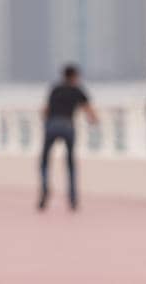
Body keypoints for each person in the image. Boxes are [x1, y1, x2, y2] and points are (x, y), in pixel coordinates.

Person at [37, 64, 98, 211]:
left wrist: (47, 123)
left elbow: (45, 110)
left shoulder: (55, 89)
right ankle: (72, 198)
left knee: (44, 161)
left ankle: (45, 188)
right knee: (70, 163)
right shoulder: (77, 89)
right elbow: (89, 111)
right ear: (75, 76)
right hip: (68, 125)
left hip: (52, 124)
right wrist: (94, 121)